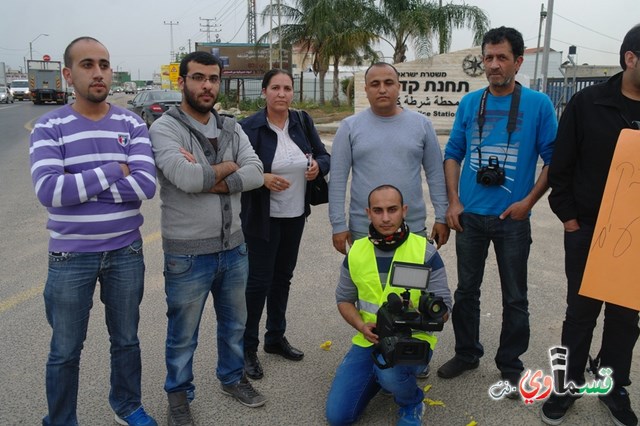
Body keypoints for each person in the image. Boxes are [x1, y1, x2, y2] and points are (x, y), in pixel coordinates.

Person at [29, 37, 157, 426]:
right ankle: (61, 418)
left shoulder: (131, 122)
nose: (98, 72)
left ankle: (127, 404)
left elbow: (146, 186)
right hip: (70, 257)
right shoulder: (50, 125)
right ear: (68, 74)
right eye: (87, 64)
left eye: (103, 64)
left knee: (127, 340)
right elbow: (50, 191)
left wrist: (81, 183)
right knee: (65, 350)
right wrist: (114, 170)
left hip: (126, 252)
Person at [149, 51, 265, 425]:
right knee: (182, 335)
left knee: (234, 324)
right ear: (182, 82)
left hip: (234, 247)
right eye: (198, 78)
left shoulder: (231, 127)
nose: (207, 86)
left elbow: (256, 173)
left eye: (213, 79)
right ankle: (179, 397)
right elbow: (186, 179)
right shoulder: (165, 129)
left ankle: (232, 378)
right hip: (187, 254)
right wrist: (229, 167)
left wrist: (210, 175)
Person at [437, 26, 557, 390]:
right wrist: (454, 201)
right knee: (466, 292)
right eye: (488, 57)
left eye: (502, 57)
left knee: (515, 296)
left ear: (518, 62)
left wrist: (528, 202)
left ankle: (510, 362)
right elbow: (453, 154)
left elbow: (554, 161)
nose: (493, 65)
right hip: (470, 216)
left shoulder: (539, 105)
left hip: (513, 219)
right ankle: (467, 353)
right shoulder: (470, 103)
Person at [541, 24, 640, 426]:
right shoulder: (587, 103)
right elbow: (560, 167)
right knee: (580, 313)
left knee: (624, 317)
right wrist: (569, 219)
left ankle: (613, 387)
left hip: (636, 239)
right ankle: (565, 387)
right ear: (630, 58)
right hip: (588, 230)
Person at [325, 185, 451, 426]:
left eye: (392, 210)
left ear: (404, 211)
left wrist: (426, 314)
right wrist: (361, 325)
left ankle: (411, 401)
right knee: (338, 417)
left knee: (390, 373)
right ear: (368, 213)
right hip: (369, 339)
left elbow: (444, 307)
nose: (385, 218)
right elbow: (344, 300)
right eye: (378, 210)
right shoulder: (357, 252)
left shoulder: (424, 251)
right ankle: (383, 378)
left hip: (413, 339)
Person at [239, 69, 330, 379]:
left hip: (295, 216)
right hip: (262, 219)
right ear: (264, 92)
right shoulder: (249, 127)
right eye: (275, 88)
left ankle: (275, 338)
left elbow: (323, 155)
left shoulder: (302, 121)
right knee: (258, 282)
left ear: (293, 93)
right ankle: (247, 347)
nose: (281, 93)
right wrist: (260, 178)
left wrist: (318, 166)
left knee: (283, 278)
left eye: (287, 88)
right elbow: (236, 169)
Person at [328, 62, 449, 255]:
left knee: (412, 284)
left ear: (399, 87)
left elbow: (435, 175)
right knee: (367, 284)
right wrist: (338, 225)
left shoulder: (422, 125)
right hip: (364, 229)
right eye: (375, 84)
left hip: (412, 227)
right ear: (366, 89)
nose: (382, 89)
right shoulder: (349, 127)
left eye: (389, 82)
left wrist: (442, 217)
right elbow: (337, 180)